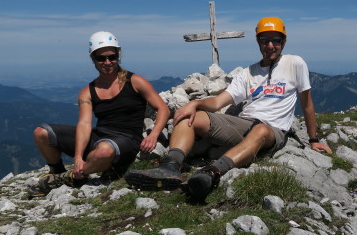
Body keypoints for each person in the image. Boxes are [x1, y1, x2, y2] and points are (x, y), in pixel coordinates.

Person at [124, 16, 332, 202]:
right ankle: (170, 166)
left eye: (275, 40)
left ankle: (212, 173)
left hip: (272, 130)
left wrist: (313, 140)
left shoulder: (295, 63)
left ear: (283, 41)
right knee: (191, 117)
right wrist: (194, 104)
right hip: (244, 123)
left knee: (260, 131)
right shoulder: (248, 72)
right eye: (264, 40)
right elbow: (217, 103)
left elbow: (307, 103)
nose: (270, 45)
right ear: (257, 42)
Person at [30, 31, 170, 195]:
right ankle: (57, 172)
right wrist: (78, 157)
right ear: (93, 59)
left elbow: (163, 108)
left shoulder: (135, 81)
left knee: (104, 150)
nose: (107, 62)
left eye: (112, 57)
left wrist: (153, 135)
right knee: (41, 133)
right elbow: (84, 123)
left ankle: (67, 178)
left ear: (119, 56)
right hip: (100, 137)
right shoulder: (87, 92)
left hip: (127, 139)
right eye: (101, 58)